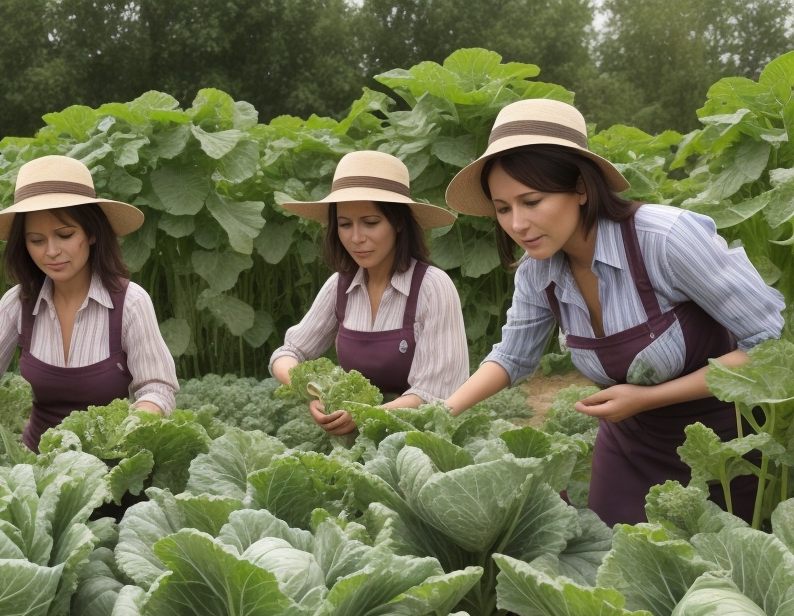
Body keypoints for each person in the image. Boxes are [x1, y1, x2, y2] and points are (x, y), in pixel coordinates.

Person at [442, 98, 784, 526]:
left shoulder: (665, 239)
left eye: (531, 201)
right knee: (613, 568)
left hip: (726, 448)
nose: (517, 224)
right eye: (503, 208)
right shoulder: (537, 271)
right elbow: (512, 357)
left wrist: (648, 397)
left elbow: (767, 346)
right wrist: (440, 411)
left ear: (581, 188)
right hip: (630, 446)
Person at [0, 155, 178, 450]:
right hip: (38, 467)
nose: (52, 251)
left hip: (113, 467)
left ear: (93, 233)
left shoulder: (131, 303)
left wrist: (135, 422)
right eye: (36, 240)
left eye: (65, 235)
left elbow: (157, 388)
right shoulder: (19, 302)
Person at [270, 151, 470, 435]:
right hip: (355, 435)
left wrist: (366, 415)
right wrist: (312, 392)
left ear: (399, 223)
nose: (356, 238)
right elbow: (288, 353)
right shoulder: (340, 286)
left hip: (424, 438)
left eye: (371, 222)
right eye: (345, 224)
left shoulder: (432, 287)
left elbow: (435, 394)